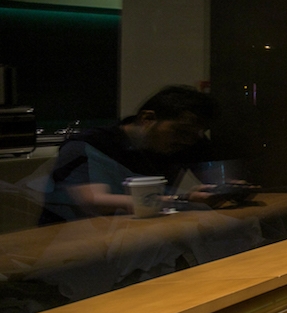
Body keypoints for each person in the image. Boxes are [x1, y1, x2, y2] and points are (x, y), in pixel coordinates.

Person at [37, 85, 238, 223]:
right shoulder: (89, 144)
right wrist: (182, 200)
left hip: (136, 237)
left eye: (195, 135)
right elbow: (94, 202)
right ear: (147, 118)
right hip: (70, 241)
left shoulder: (188, 142)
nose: (187, 140)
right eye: (180, 131)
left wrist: (230, 189)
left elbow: (217, 181)